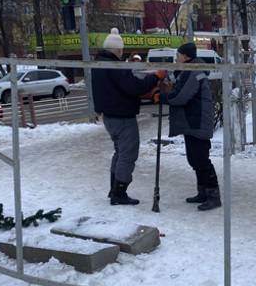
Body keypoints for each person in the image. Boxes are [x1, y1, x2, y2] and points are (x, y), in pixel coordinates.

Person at [92, 28, 165, 205]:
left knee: (119, 152)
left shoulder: (98, 64)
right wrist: (155, 77)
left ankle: (114, 190)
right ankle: (119, 193)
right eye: (121, 50)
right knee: (128, 154)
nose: (122, 53)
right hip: (122, 116)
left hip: (110, 116)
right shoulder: (115, 67)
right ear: (117, 50)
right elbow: (133, 87)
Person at [159, 42, 220, 211]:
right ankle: (203, 192)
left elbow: (181, 96)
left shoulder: (194, 72)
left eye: (178, 55)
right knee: (194, 159)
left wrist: (163, 97)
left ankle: (213, 195)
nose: (176, 58)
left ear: (185, 56)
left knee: (201, 159)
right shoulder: (188, 71)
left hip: (197, 122)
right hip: (192, 121)